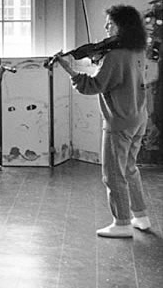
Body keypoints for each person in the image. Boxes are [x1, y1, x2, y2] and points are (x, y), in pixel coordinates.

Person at [56, 4, 150, 238]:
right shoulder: (136, 50)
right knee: (129, 168)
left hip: (119, 121)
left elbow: (93, 86)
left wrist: (71, 71)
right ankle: (141, 216)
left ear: (122, 26)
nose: (106, 27)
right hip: (138, 117)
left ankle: (121, 223)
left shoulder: (115, 55)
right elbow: (118, 78)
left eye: (111, 23)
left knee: (112, 173)